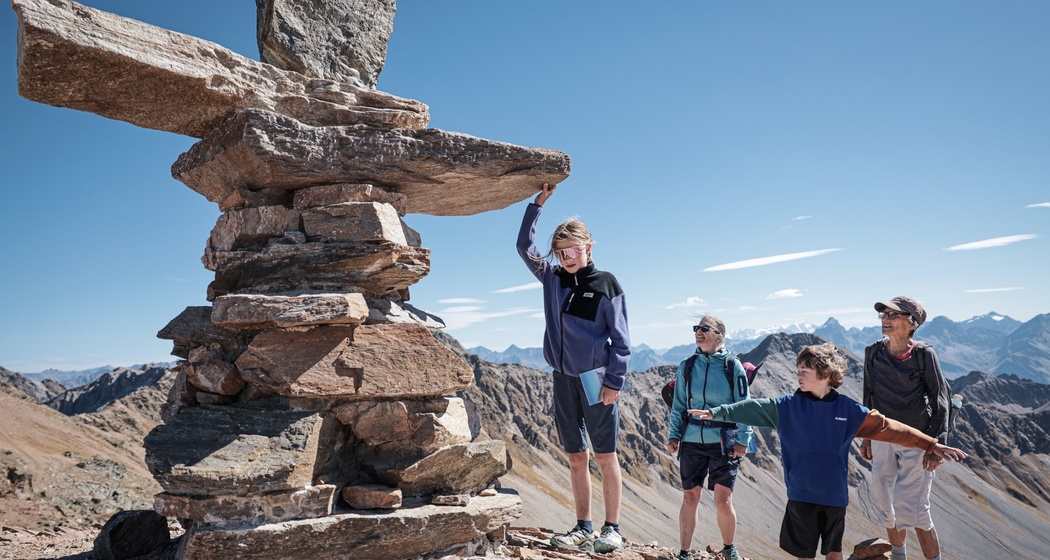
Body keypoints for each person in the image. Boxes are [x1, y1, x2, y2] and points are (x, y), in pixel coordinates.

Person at [692, 343, 967, 560]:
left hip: (835, 497)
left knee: (833, 553)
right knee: (805, 554)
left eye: (804, 372)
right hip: (800, 495)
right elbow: (749, 408)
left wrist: (931, 444)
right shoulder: (786, 406)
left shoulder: (848, 410)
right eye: (798, 370)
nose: (797, 375)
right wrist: (715, 412)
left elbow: (892, 429)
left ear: (825, 376)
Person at [516, 183, 631, 553]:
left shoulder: (606, 284)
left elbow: (622, 340)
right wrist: (537, 205)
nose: (566, 256)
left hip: (595, 380)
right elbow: (523, 247)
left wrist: (614, 381)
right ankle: (583, 526)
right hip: (562, 379)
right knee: (576, 456)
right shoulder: (552, 278)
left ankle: (611, 529)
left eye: (572, 250)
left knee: (605, 454)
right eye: (560, 251)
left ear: (588, 246)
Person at [860, 296, 950, 560]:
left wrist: (935, 446)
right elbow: (869, 396)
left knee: (916, 510)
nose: (885, 319)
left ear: (911, 324)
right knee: (886, 504)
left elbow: (940, 400)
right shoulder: (873, 351)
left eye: (892, 315)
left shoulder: (924, 355)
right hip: (881, 435)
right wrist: (866, 437)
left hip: (917, 440)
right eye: (883, 314)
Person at [666, 314, 754, 560]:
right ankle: (684, 552)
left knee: (723, 500)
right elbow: (679, 405)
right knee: (690, 496)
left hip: (724, 441)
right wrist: (674, 435)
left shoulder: (732, 366)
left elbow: (744, 405)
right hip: (692, 439)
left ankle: (729, 548)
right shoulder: (688, 365)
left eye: (705, 328)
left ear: (719, 335)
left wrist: (743, 440)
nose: (698, 332)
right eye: (697, 328)